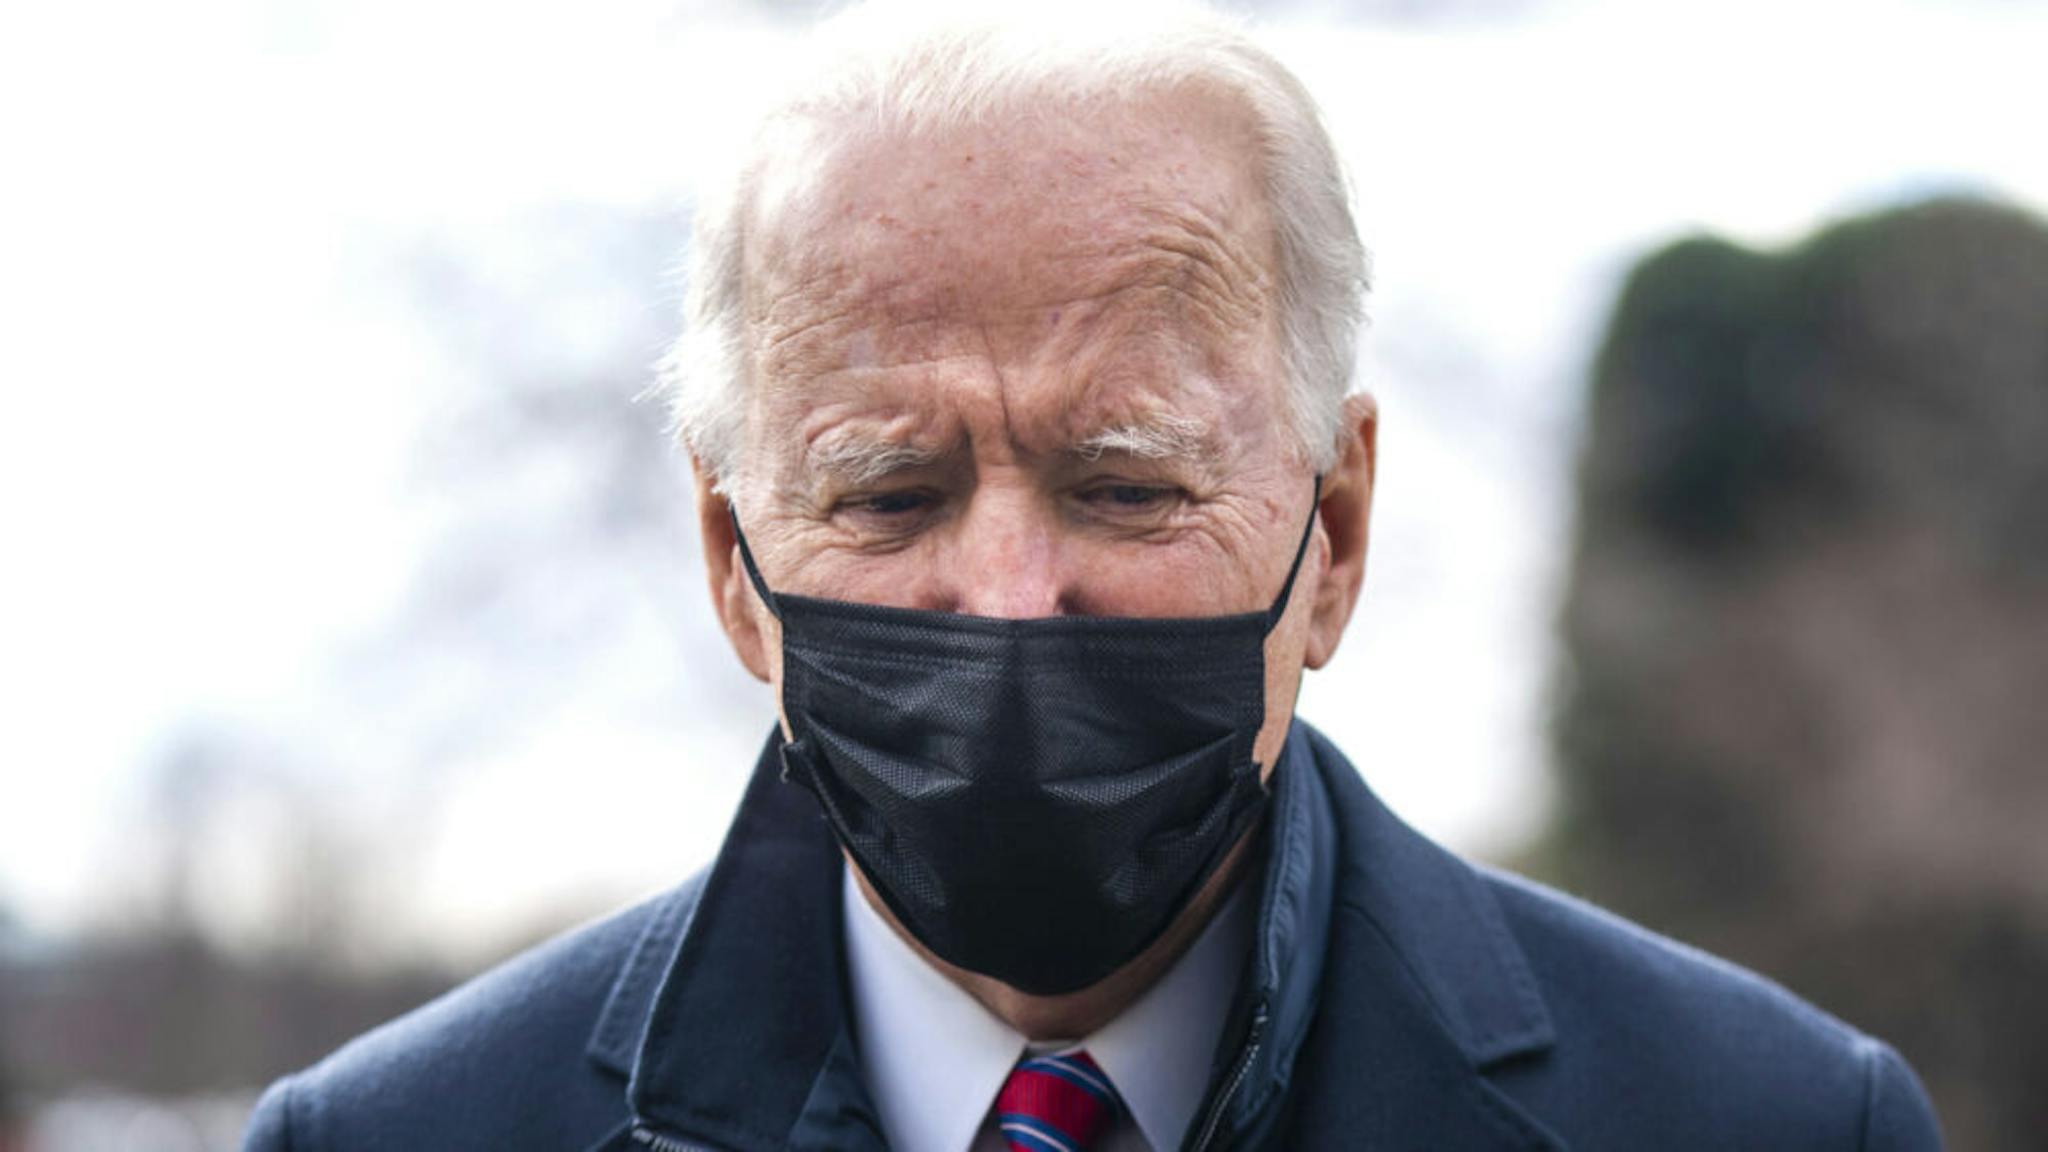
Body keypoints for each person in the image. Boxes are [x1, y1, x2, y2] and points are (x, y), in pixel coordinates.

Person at [242, 4, 1943, 1149]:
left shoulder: (1769, 1120)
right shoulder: (398, 1135)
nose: (1006, 594)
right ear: (732, 561)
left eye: (1124, 485)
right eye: (890, 493)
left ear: (1331, 533)